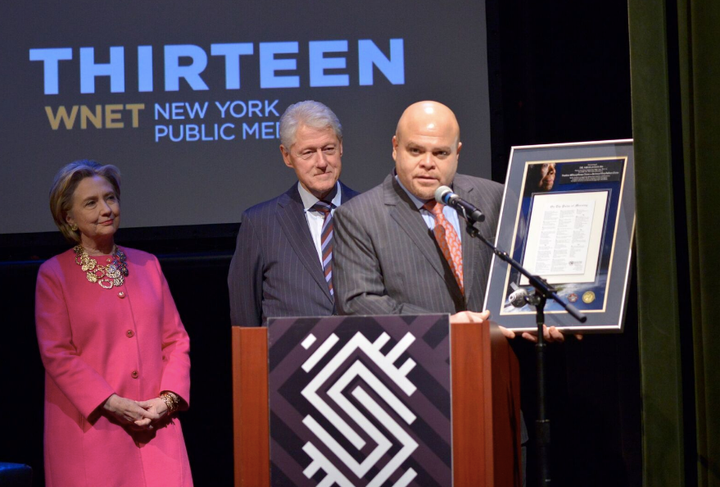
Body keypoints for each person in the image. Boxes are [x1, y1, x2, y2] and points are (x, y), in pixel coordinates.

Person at [35, 160, 193, 486]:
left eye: (110, 198)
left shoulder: (147, 264)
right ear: (68, 217)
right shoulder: (54, 274)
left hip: (157, 427)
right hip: (93, 431)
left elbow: (176, 340)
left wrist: (168, 400)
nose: (106, 209)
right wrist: (112, 403)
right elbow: (57, 354)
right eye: (91, 203)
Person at [228, 100, 359, 327]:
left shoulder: (369, 211)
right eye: (308, 152)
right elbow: (245, 322)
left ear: (341, 147)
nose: (321, 162)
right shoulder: (260, 224)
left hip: (364, 354)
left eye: (328, 149)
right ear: (287, 156)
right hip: (290, 358)